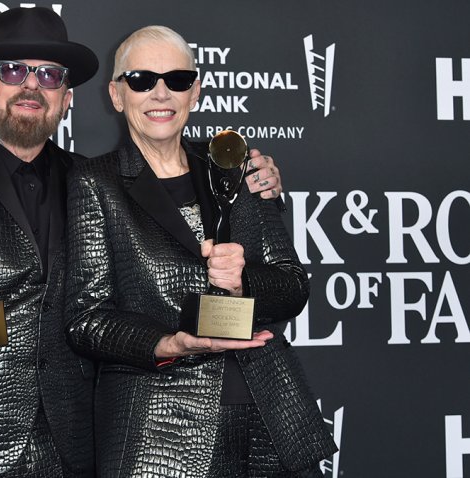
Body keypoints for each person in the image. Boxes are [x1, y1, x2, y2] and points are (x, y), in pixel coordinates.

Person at [0, 9, 284, 477]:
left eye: (49, 75)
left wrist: (256, 178)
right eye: (13, 70)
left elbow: (180, 184)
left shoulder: (93, 181)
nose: (32, 85)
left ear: (66, 98)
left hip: (73, 439)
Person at [63, 25, 337, 478]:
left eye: (176, 80)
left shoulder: (237, 167)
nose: (160, 93)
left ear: (196, 92)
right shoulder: (96, 183)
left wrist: (244, 282)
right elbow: (86, 318)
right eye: (141, 80)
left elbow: (292, 286)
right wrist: (169, 343)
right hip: (162, 433)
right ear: (116, 94)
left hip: (272, 422)